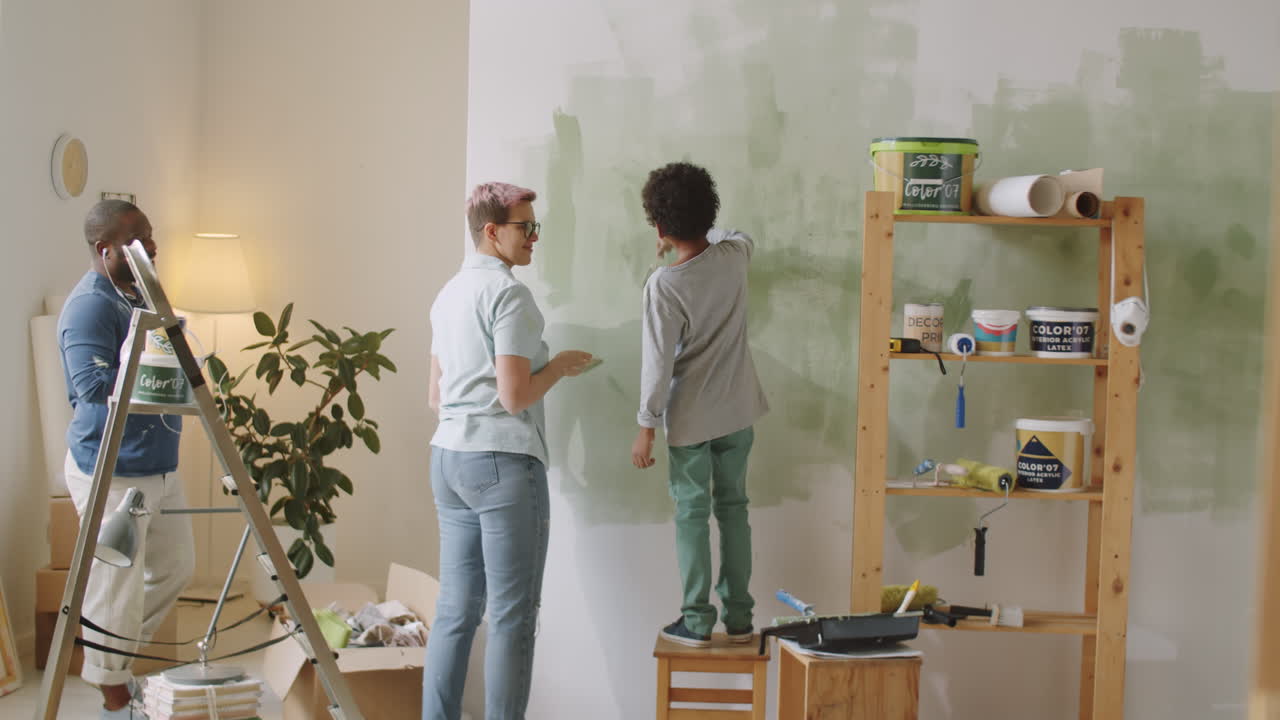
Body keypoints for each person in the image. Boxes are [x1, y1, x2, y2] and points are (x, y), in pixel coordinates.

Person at [425, 182, 593, 719]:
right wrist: (560, 365)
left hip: (448, 459)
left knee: (455, 610)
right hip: (501, 463)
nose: (535, 238)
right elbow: (515, 395)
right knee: (512, 617)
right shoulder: (509, 295)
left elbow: (435, 395)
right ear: (492, 231)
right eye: (526, 228)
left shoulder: (448, 294)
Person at [57, 200, 195, 718]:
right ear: (105, 249)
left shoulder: (136, 291)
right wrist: (160, 373)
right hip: (112, 469)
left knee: (177, 567)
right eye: (139, 239)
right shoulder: (90, 305)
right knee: (115, 582)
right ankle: (111, 681)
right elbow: (91, 387)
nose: (153, 246)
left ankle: (110, 660)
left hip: (158, 462)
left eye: (151, 236)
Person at [630, 162, 768, 648]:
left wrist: (646, 426)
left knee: (692, 514)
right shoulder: (734, 256)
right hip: (738, 410)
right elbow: (740, 235)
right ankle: (739, 617)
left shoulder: (665, 286)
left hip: (690, 421)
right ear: (708, 214)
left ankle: (695, 619)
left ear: (660, 228)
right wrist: (703, 229)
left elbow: (657, 364)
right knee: (734, 509)